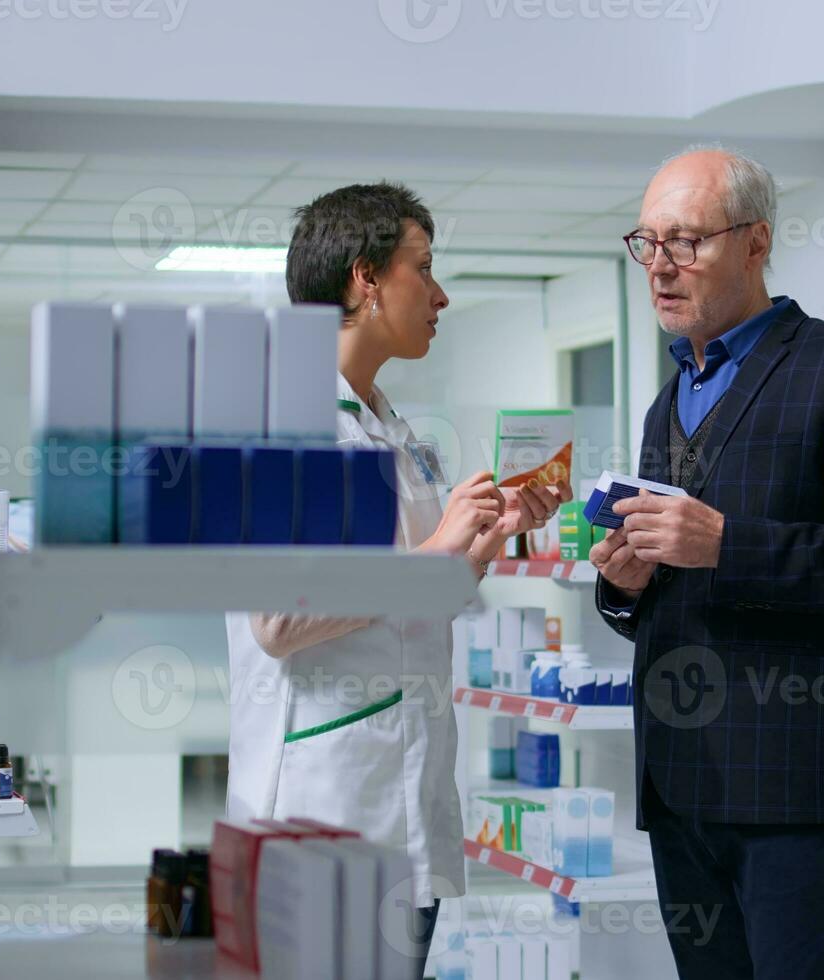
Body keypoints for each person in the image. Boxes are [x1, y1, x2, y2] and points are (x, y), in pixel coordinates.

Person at [590, 147, 824, 979]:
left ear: (756, 242)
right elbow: (668, 583)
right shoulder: (668, 398)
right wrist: (622, 584)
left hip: (803, 798)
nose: (660, 267)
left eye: (686, 242)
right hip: (682, 792)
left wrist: (728, 543)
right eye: (647, 243)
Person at [225, 182, 570, 975]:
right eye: (424, 267)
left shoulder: (391, 430)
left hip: (401, 801)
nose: (440, 294)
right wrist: (435, 554)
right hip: (323, 808)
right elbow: (278, 620)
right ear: (364, 279)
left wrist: (488, 536)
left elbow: (423, 599)